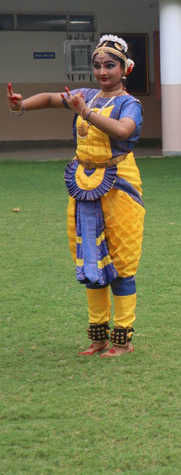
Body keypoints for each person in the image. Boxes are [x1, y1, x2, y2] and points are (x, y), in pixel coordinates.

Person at [6, 35, 145, 357]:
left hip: (119, 186)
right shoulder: (85, 95)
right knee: (91, 258)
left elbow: (124, 131)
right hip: (84, 185)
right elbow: (52, 99)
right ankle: (97, 337)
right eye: (97, 65)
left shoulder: (129, 104)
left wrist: (86, 113)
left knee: (122, 262)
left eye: (110, 65)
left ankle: (123, 337)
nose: (102, 72)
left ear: (126, 68)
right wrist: (21, 106)